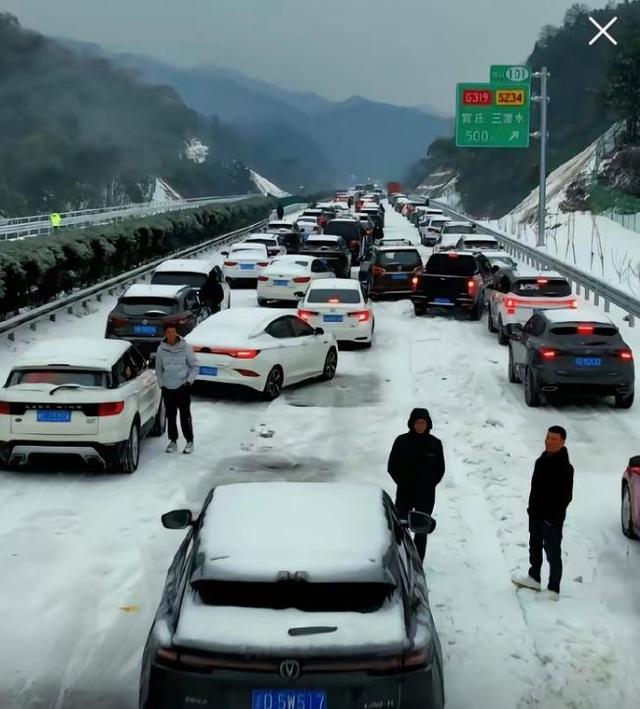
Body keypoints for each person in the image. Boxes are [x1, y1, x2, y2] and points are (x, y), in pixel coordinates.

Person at [512, 426, 574, 600]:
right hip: (536, 514)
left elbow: (565, 497)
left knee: (552, 552)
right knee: (535, 546)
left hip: (551, 520)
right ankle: (534, 578)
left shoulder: (565, 468)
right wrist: (532, 510)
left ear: (562, 442)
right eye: (548, 438)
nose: (549, 441)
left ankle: (553, 589)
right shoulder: (541, 461)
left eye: (554, 439)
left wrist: (551, 518)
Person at [387, 408, 445, 561]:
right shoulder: (401, 441)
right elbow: (392, 466)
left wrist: (428, 484)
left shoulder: (435, 444)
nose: (420, 426)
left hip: (425, 496)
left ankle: (418, 562)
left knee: (421, 532)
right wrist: (402, 481)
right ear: (411, 424)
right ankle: (401, 561)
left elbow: (440, 469)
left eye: (423, 423)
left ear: (428, 424)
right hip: (405, 493)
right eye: (417, 423)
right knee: (401, 528)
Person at [155, 324, 199, 454]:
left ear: (177, 333)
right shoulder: (161, 350)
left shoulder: (185, 348)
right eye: (168, 332)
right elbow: (158, 370)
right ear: (165, 334)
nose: (171, 334)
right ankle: (173, 441)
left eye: (173, 332)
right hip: (168, 388)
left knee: (185, 416)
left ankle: (189, 441)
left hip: (182, 387)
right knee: (171, 415)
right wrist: (161, 384)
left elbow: (194, 366)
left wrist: (189, 381)